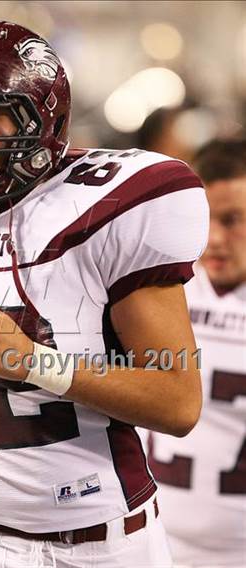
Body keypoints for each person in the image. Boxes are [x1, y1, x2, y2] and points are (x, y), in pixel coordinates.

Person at [0, 20, 209, 567]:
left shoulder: (113, 208)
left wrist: (36, 363)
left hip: (104, 541)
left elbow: (178, 402)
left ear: (42, 118)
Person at [148, 139, 246, 568]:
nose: (217, 239)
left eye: (235, 220)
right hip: (150, 538)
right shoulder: (156, 289)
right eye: (208, 219)